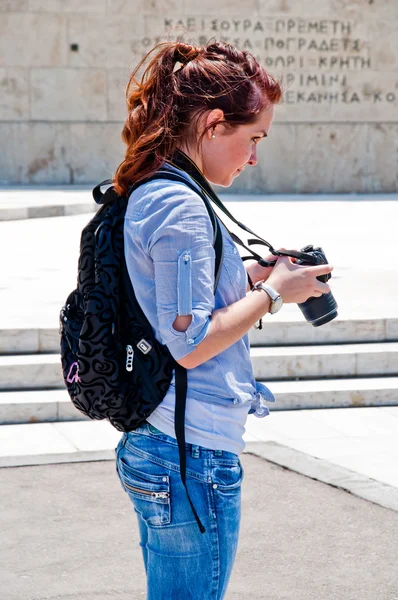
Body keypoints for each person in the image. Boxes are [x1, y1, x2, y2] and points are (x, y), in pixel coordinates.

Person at [113, 40, 333, 600]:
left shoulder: (159, 186)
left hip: (164, 442)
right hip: (189, 454)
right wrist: (277, 295)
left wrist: (252, 274)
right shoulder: (180, 206)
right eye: (253, 138)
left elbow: (179, 300)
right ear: (214, 124)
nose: (255, 156)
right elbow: (189, 343)